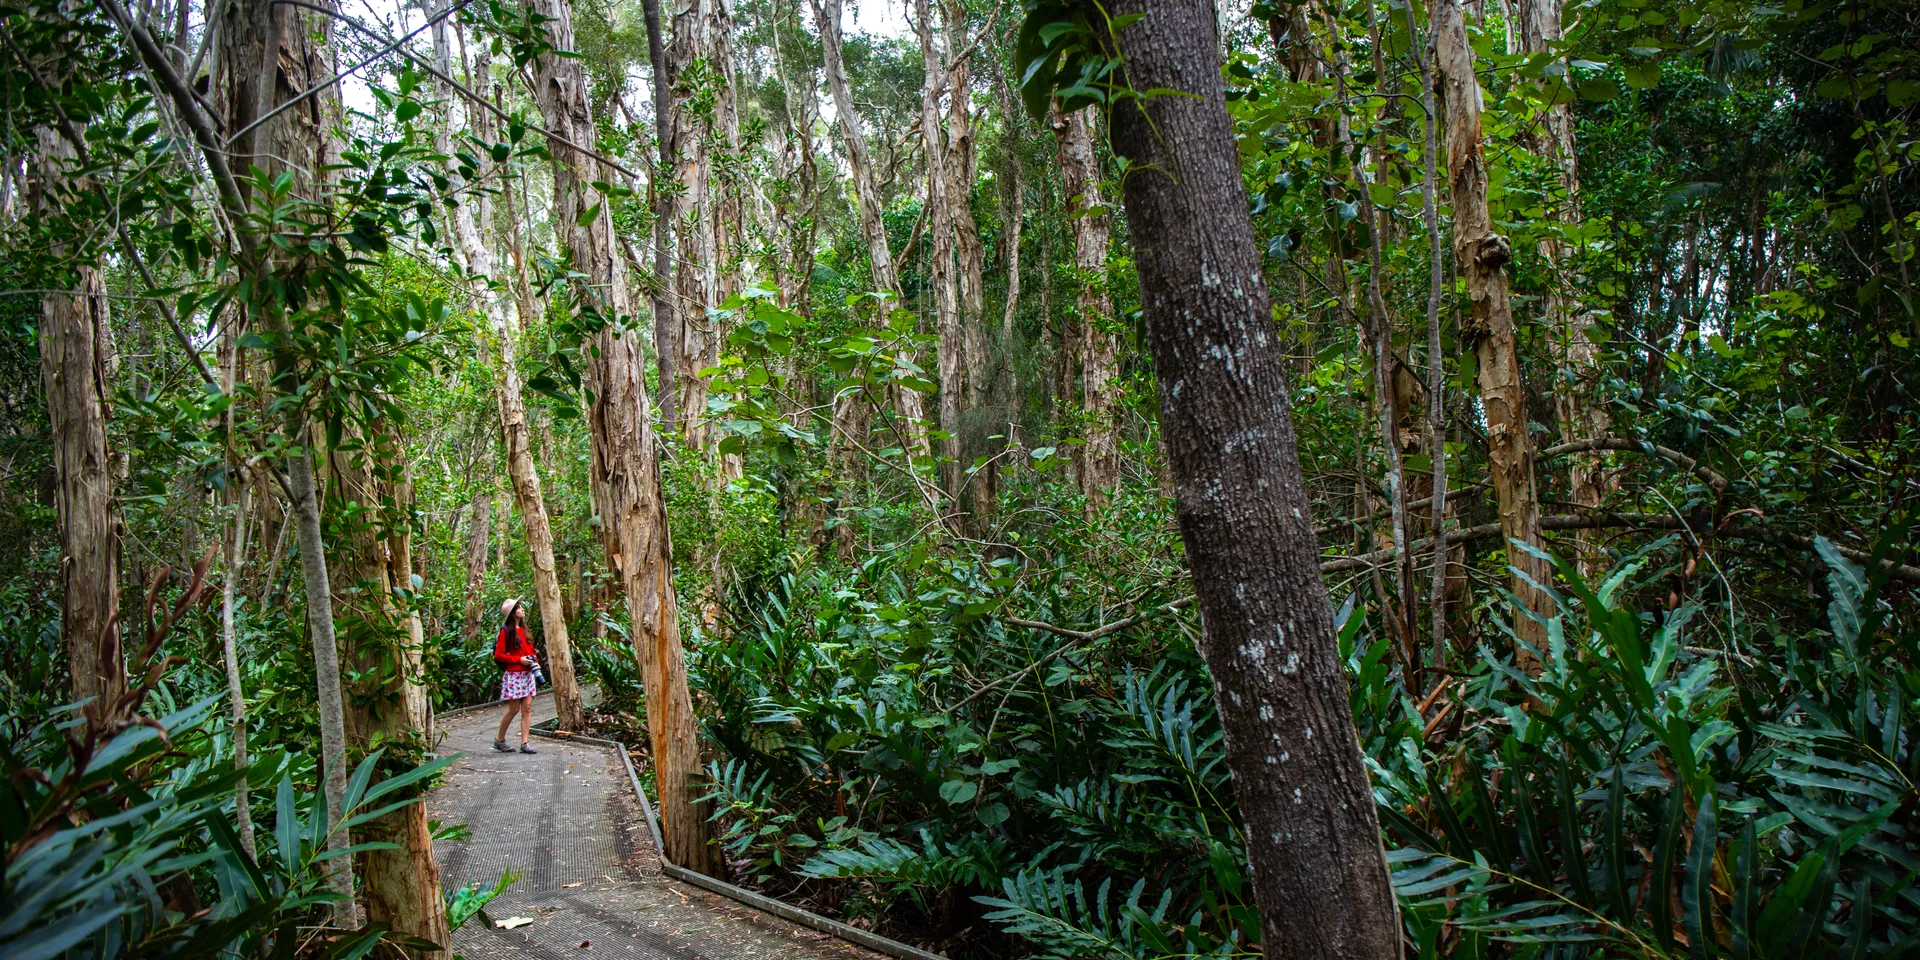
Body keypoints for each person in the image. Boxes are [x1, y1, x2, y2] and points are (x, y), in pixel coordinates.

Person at [493, 598, 540, 754]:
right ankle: (499, 740)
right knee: (514, 710)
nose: (522, 610)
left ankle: (525, 743)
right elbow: (498, 655)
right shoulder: (505, 631)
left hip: (527, 674)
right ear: (513, 613)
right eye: (519, 608)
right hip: (514, 675)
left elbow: (531, 650)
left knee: (527, 708)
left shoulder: (524, 630)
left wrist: (535, 662)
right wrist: (518, 660)